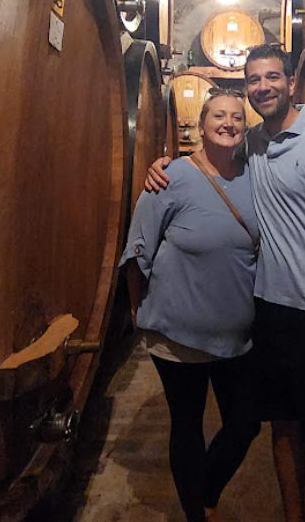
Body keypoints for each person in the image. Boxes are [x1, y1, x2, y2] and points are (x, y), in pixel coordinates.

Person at [146, 44, 305, 522]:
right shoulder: (253, 143)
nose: (263, 87)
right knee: (283, 431)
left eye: (272, 77)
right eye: (254, 80)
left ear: (292, 82)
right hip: (268, 313)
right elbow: (211, 159)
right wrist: (164, 165)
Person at [121, 89, 261, 522]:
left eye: (236, 117)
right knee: (187, 425)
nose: (228, 123)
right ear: (200, 125)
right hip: (177, 335)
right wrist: (136, 308)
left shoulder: (254, 176)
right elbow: (138, 249)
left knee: (245, 423)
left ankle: (206, 492)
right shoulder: (171, 177)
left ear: (246, 127)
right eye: (218, 115)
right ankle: (197, 514)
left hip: (236, 335)